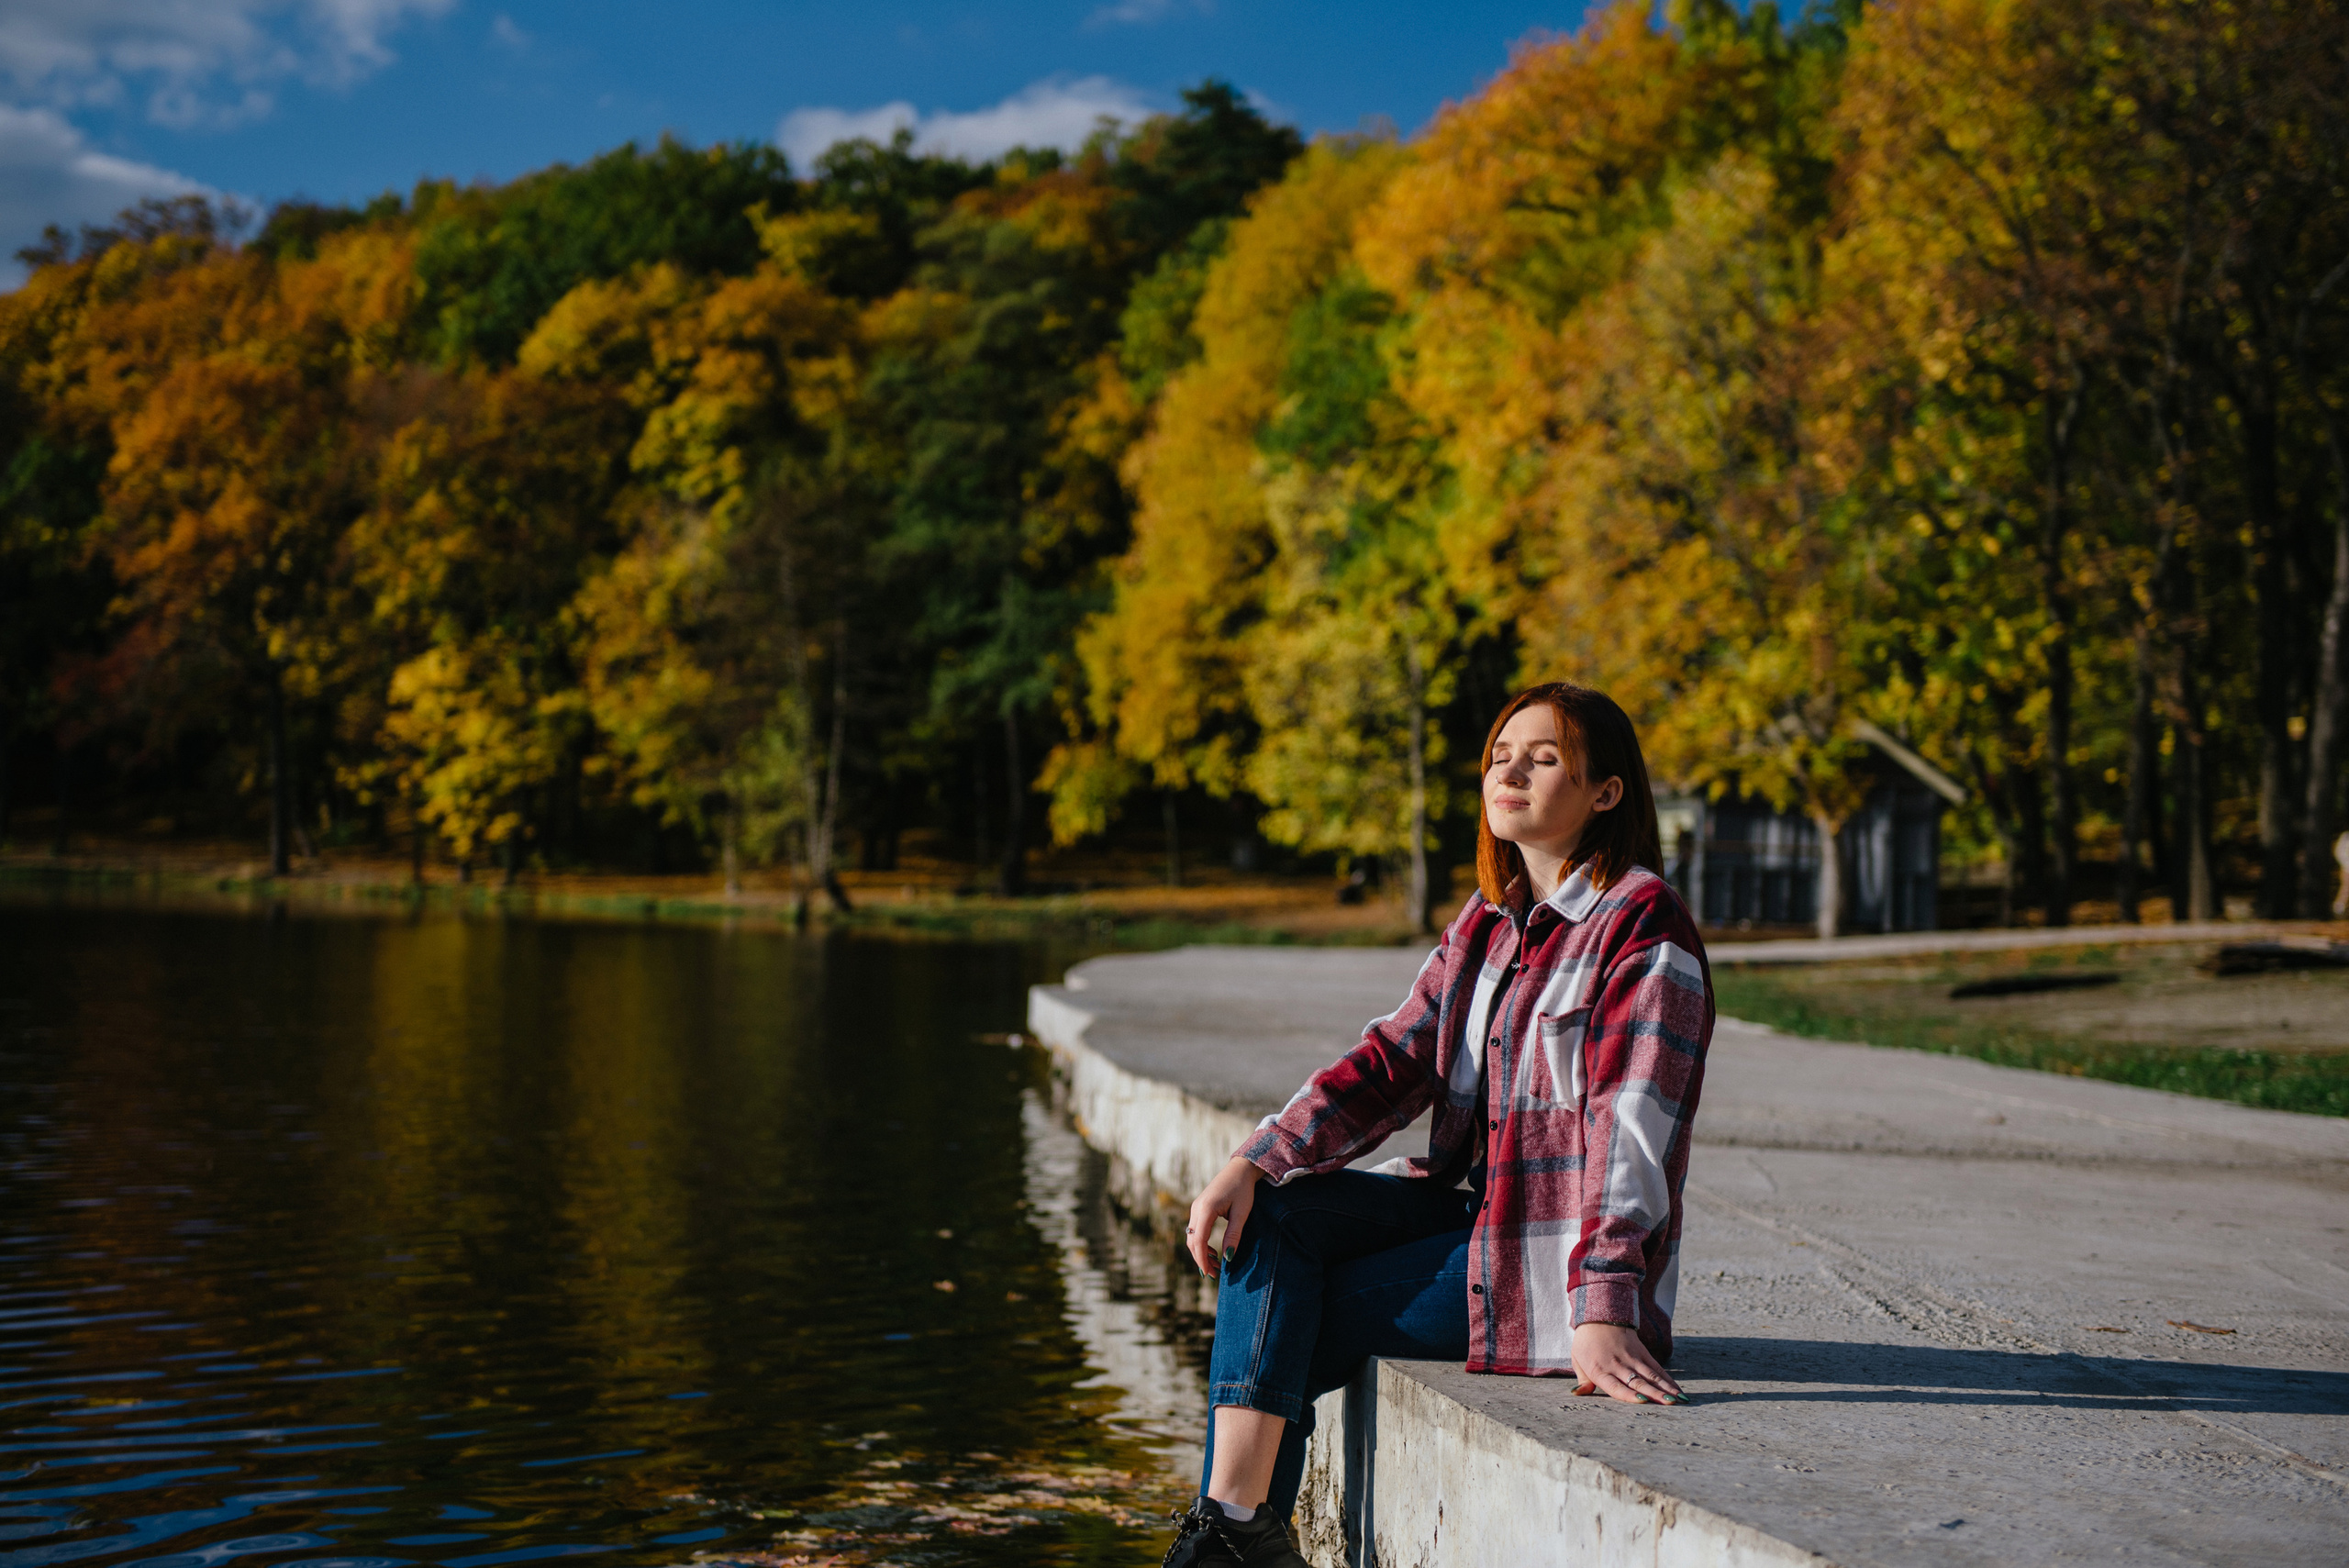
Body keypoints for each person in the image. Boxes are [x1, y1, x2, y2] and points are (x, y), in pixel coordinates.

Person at [1158, 683, 1716, 1568]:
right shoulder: (1488, 921)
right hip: (1471, 1218)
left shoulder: (1644, 927)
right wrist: (1256, 1159)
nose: (1511, 772)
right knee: (1273, 1221)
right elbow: (1394, 1061)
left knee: (1276, 1327)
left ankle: (1229, 1531)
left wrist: (1606, 1304)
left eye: (1542, 757)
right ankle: (1238, 1532)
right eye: (1500, 755)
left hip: (1544, 1262)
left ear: (1605, 791)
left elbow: (1632, 1129)